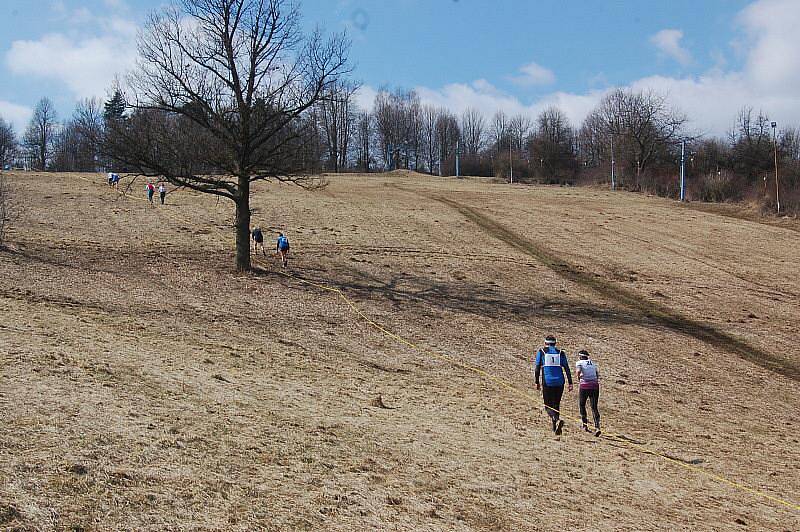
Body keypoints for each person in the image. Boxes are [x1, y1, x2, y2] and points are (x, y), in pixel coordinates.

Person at [534, 335, 573, 435]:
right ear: (555, 343)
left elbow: (537, 367)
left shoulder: (541, 352)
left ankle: (555, 419)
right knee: (556, 404)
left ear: (545, 343)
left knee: (547, 406)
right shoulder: (561, 353)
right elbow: (567, 368)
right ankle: (554, 425)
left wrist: (537, 382)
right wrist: (570, 383)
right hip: (560, 382)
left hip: (548, 381)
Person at [576, 350, 601, 436]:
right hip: (595, 386)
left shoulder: (579, 363)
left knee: (582, 404)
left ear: (580, 356)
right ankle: (597, 426)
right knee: (594, 407)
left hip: (585, 386)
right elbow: (597, 375)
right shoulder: (593, 363)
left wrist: (579, 378)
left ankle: (585, 425)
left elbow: (578, 372)